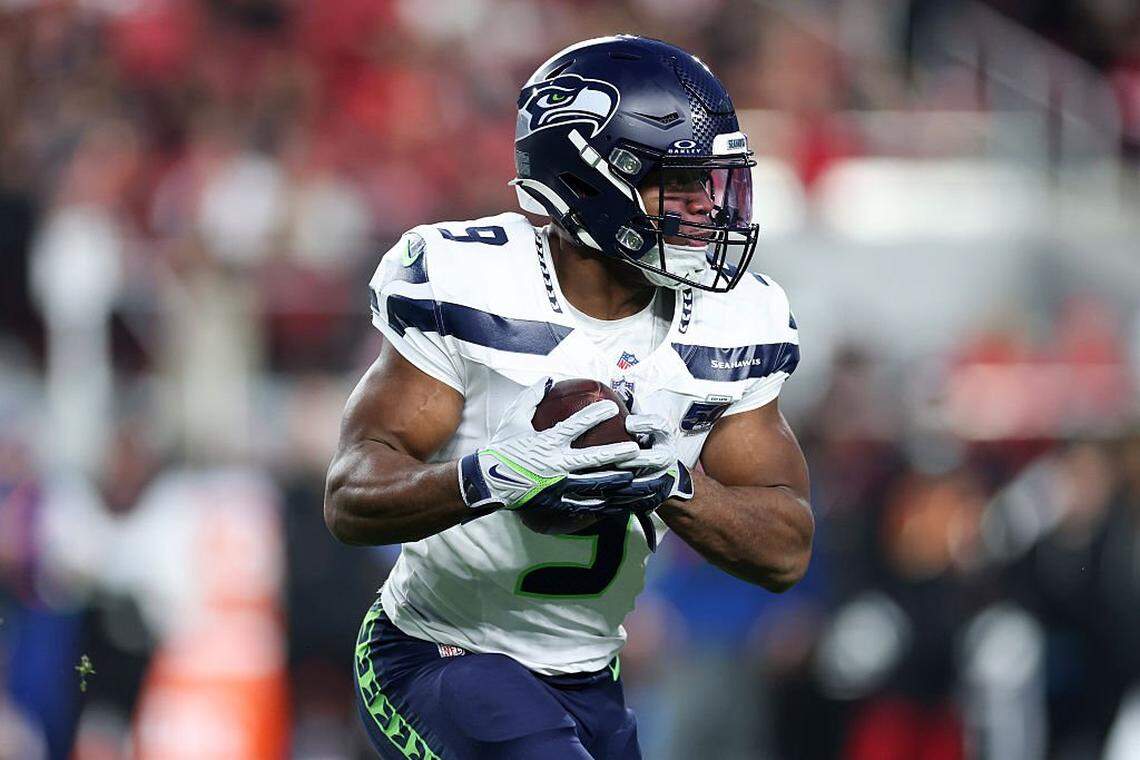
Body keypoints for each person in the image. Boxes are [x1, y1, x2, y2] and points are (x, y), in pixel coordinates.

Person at [324, 35, 813, 760]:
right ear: (590, 179)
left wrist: (673, 484)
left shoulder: (737, 319)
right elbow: (351, 498)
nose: (705, 208)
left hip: (590, 678)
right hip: (438, 655)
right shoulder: (471, 283)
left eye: (708, 184)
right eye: (676, 184)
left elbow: (785, 549)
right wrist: (493, 475)